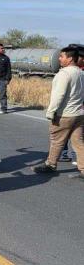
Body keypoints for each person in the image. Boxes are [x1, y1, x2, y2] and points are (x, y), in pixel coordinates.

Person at [33, 46, 84, 178]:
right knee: (78, 142)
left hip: (64, 115)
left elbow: (58, 96)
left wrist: (51, 112)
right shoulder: (80, 73)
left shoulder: (64, 74)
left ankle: (50, 164)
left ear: (70, 58)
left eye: (62, 56)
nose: (59, 59)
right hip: (78, 114)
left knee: (56, 141)